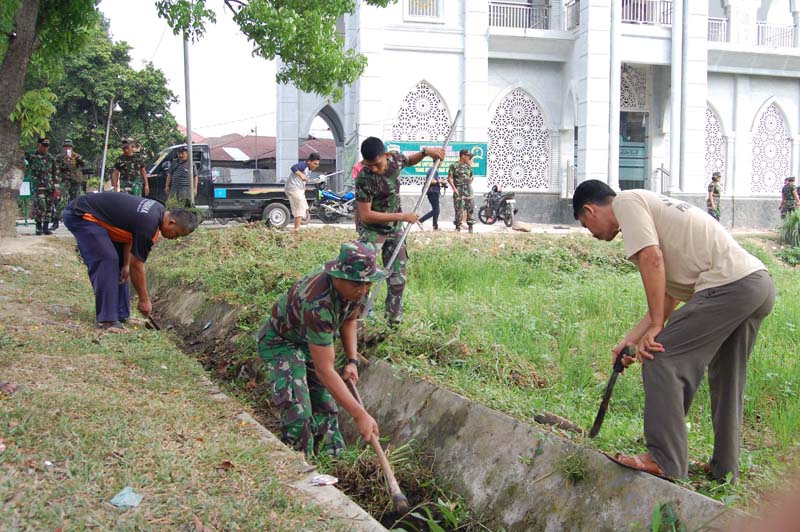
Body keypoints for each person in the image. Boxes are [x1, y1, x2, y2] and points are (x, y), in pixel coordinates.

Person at [573, 180, 774, 482]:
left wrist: (655, 329)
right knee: (727, 376)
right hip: (755, 284)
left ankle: (664, 460)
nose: (593, 234)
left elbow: (651, 258)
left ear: (590, 209)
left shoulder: (625, 202)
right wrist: (632, 338)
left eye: (587, 225)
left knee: (660, 358)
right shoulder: (650, 206)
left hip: (728, 286)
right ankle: (725, 470)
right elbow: (669, 297)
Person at [256, 241, 386, 455]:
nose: (363, 291)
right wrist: (359, 414)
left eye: (368, 284)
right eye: (357, 284)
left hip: (309, 339)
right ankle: (299, 465)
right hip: (281, 341)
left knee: (326, 406)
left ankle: (335, 464)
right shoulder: (317, 304)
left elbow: (349, 320)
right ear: (337, 277)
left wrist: (352, 361)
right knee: (299, 411)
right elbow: (325, 370)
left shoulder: (354, 289)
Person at [63, 192, 199, 333]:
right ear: (172, 222)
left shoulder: (157, 210)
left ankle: (121, 315)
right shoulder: (149, 224)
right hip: (81, 215)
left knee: (121, 265)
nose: (175, 238)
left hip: (96, 216)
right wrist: (144, 300)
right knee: (107, 260)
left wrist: (126, 264)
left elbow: (129, 235)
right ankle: (107, 320)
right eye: (177, 234)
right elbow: (137, 266)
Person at [355, 137, 445, 325]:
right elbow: (366, 215)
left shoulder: (395, 159)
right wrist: (402, 217)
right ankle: (359, 321)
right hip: (372, 230)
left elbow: (409, 161)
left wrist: (426, 152)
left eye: (377, 164)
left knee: (398, 279)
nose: (374, 169)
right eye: (369, 165)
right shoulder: (364, 177)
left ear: (386, 156)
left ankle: (393, 324)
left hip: (395, 230)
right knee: (362, 275)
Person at [24, 137, 57, 236]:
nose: (45, 148)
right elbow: (21, 159)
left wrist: (56, 186)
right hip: (39, 185)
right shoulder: (31, 156)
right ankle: (38, 226)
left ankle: (46, 227)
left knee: (49, 206)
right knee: (40, 206)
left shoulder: (51, 158)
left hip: (49, 185)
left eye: (47, 146)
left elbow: (55, 172)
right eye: (43, 146)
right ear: (39, 145)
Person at [52, 139, 85, 230]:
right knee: (62, 201)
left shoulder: (76, 156)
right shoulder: (60, 157)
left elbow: (83, 164)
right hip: (65, 181)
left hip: (75, 182)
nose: (67, 148)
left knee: (75, 202)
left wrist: (78, 159)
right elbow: (55, 168)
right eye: (66, 146)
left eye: (69, 147)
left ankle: (75, 222)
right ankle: (56, 221)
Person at [285, 153, 320, 231]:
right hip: (293, 188)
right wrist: (301, 175)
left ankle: (297, 228)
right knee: (299, 208)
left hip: (299, 189)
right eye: (314, 164)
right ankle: (296, 229)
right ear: (309, 161)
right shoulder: (303, 165)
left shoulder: (309, 170)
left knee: (303, 207)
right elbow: (293, 168)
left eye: (317, 164)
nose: (316, 166)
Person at [447, 149, 475, 233]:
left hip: (468, 189)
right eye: (468, 156)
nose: (469, 158)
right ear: (463, 155)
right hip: (458, 189)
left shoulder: (468, 166)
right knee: (458, 208)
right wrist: (454, 189)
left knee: (470, 207)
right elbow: (450, 178)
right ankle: (458, 226)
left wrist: (470, 181)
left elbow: (471, 177)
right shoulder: (454, 165)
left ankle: (470, 227)